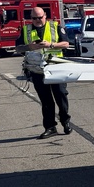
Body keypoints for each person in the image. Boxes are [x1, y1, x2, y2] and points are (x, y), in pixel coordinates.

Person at [17, 8, 72, 138]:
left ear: (45, 16)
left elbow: (66, 44)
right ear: (31, 18)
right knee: (46, 100)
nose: (37, 20)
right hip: (37, 70)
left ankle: (65, 121)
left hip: (56, 68)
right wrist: (29, 47)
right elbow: (18, 47)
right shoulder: (26, 30)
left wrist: (51, 45)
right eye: (34, 18)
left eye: (40, 17)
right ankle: (50, 127)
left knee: (61, 95)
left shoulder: (55, 26)